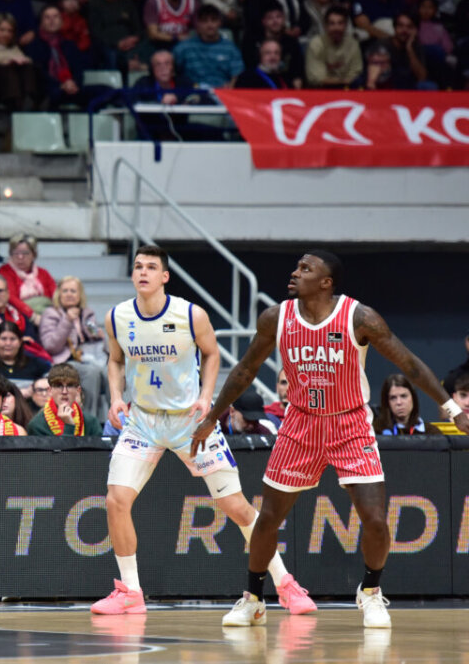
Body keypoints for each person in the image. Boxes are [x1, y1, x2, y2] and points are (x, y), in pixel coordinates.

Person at [193, 250, 469, 627]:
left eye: (306, 269)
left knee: (374, 520)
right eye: (296, 266)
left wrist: (451, 408)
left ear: (326, 282)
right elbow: (244, 369)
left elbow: (407, 362)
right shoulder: (277, 317)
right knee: (268, 518)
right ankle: (253, 598)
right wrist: (212, 417)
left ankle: (370, 593)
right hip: (300, 424)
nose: (294, 273)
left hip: (350, 424)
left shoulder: (359, 317)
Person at [94, 244, 313, 617]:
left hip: (190, 422)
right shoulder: (117, 317)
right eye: (137, 267)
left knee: (236, 507)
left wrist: (208, 399)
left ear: (164, 276)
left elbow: (212, 353)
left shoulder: (190, 314)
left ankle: (286, 584)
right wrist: (116, 396)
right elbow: (115, 359)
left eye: (151, 267)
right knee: (116, 500)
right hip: (143, 420)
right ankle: (130, 590)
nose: (142, 272)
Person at [173, 5, 244, 89]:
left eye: (213, 20)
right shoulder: (184, 47)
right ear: (198, 24)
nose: (209, 25)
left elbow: (237, 75)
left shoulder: (230, 48)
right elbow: (172, 71)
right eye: (204, 21)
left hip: (222, 94)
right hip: (193, 93)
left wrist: (230, 91)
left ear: (219, 22)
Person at [27, 363, 102, 436]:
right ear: (50, 390)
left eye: (69, 386)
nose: (64, 392)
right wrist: (69, 425)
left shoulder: (91, 422)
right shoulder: (37, 425)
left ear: (78, 390)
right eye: (59, 386)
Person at [0, 234, 55, 321]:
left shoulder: (43, 273)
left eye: (25, 253)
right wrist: (33, 316)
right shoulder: (5, 271)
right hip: (19, 318)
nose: (20, 257)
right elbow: (10, 297)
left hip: (46, 317)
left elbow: (56, 295)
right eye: (16, 253)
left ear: (34, 254)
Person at [305, 6, 362, 88]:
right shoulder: (316, 44)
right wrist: (343, 81)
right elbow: (316, 79)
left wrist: (346, 81)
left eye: (340, 23)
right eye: (332, 23)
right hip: (320, 91)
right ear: (325, 26)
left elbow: (355, 75)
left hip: (347, 91)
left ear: (346, 25)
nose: (336, 28)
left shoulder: (353, 44)